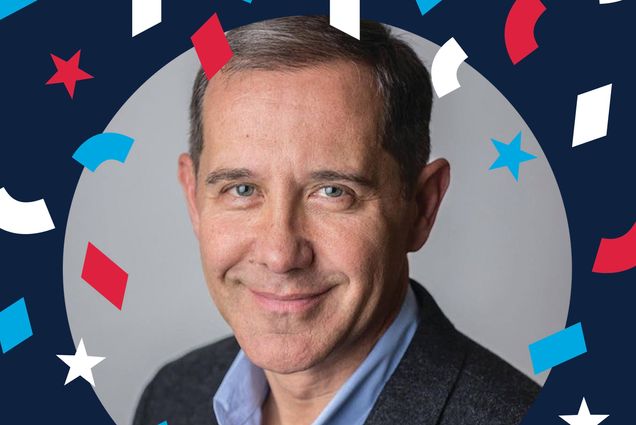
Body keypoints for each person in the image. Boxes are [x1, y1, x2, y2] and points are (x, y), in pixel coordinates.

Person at [133, 15, 540, 425]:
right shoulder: (171, 398)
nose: (280, 254)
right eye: (242, 190)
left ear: (421, 206)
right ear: (194, 198)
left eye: (332, 192)